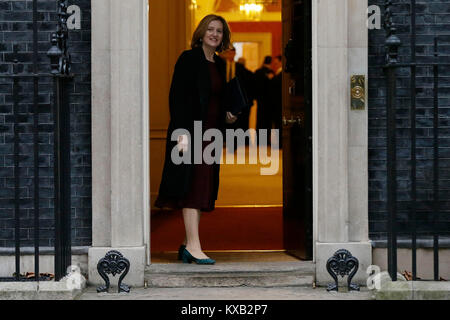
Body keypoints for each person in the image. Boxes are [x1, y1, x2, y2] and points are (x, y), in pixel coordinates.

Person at [154, 15, 237, 265]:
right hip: (190, 134)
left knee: (202, 188)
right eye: (210, 29)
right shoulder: (188, 59)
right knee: (191, 187)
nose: (214, 34)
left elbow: (216, 100)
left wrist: (229, 116)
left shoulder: (220, 64)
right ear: (201, 33)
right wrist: (181, 136)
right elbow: (177, 98)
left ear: (224, 37)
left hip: (211, 134)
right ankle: (193, 246)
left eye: (219, 31)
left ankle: (186, 244)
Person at [220, 46, 255, 136]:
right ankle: (224, 138)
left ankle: (235, 140)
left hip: (236, 98)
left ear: (235, 54)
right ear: (226, 54)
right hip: (224, 97)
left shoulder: (240, 67)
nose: (230, 55)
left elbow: (248, 82)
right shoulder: (220, 66)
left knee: (236, 120)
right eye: (228, 53)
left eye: (232, 53)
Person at [254, 56, 274, 146]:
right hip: (269, 101)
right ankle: (266, 141)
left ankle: (258, 140)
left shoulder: (258, 72)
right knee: (267, 121)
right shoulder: (271, 73)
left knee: (260, 120)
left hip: (260, 101)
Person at [270, 55, 283, 148]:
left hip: (278, 105)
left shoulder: (280, 76)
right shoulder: (278, 74)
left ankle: (279, 143)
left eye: (276, 62)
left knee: (278, 124)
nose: (274, 64)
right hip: (277, 105)